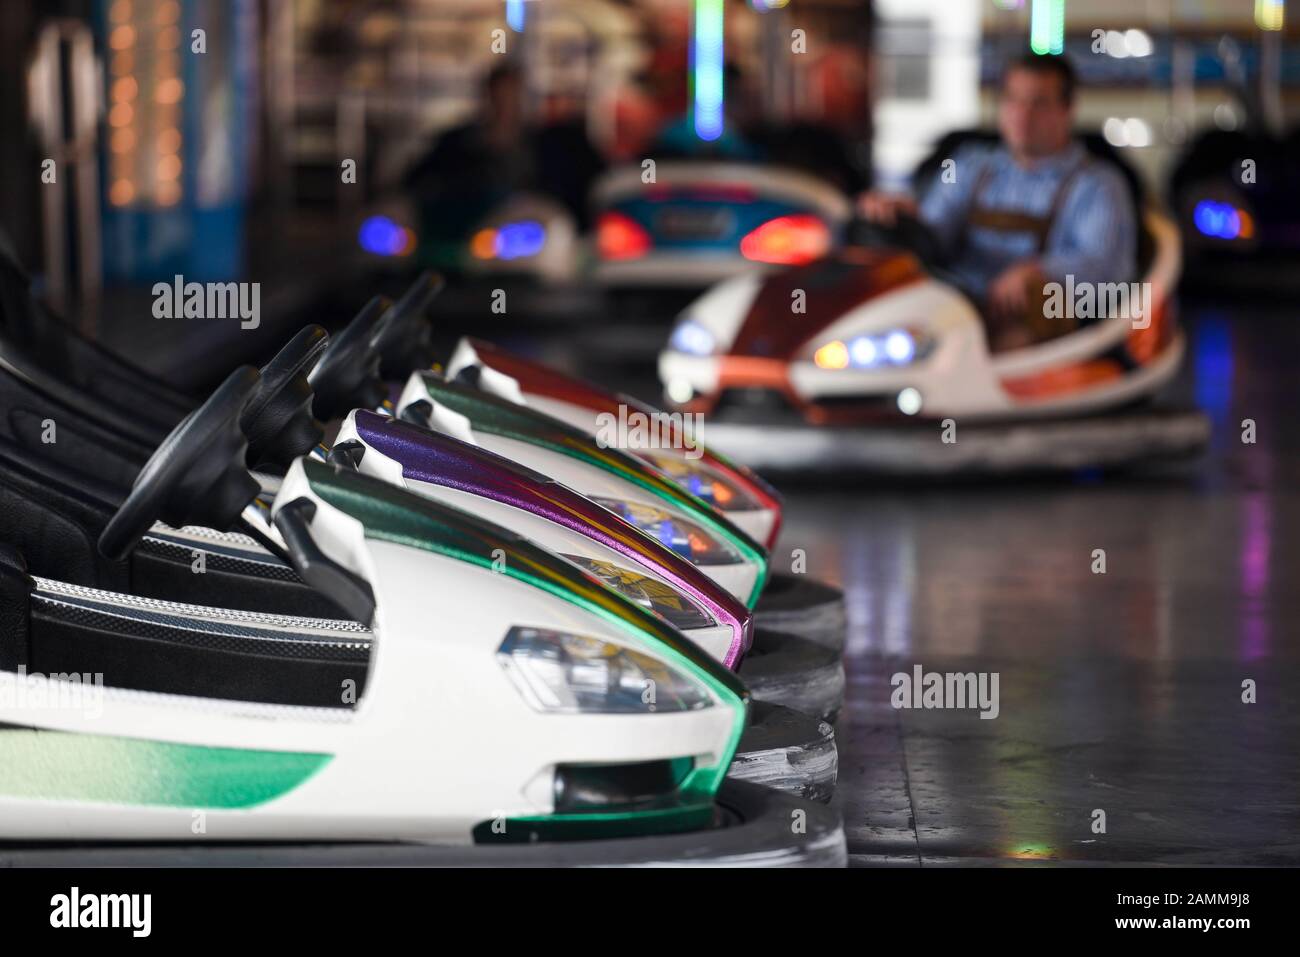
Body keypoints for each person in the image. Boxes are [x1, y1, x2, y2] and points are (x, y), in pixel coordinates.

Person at [859, 54, 1137, 351]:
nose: (1022, 115)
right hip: (955, 309)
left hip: (1034, 323)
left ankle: (982, 372)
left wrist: (1039, 271)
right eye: (1013, 100)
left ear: (1067, 110)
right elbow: (933, 230)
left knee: (1039, 301)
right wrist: (901, 216)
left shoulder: (1098, 184)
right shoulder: (968, 166)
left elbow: (1107, 268)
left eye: (1039, 103)